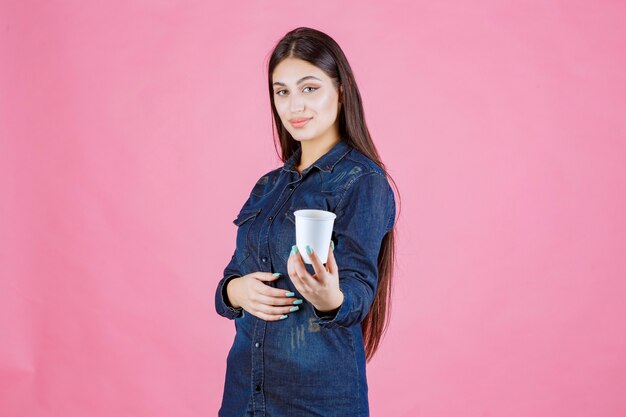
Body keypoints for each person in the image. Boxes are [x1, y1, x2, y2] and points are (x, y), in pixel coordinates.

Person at [214, 26, 399, 417]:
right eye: (282, 91)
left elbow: (358, 289)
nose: (294, 105)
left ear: (341, 89)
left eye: (309, 88)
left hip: (317, 403)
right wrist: (236, 292)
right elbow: (232, 277)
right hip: (245, 398)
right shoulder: (269, 186)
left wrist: (328, 296)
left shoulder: (362, 181)